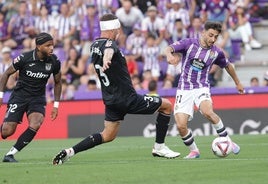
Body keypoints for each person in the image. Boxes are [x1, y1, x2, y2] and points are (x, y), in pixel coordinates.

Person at [52, 13, 180, 165]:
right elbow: (109, 50)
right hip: (127, 98)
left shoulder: (93, 46)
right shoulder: (109, 44)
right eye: (118, 29)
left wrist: (106, 58)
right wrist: (107, 58)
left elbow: (106, 50)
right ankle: (159, 147)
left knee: (108, 135)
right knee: (166, 106)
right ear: (113, 29)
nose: (119, 32)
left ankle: (70, 151)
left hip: (111, 100)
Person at [164, 21, 244, 159]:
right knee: (181, 126)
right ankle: (194, 151)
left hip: (202, 86)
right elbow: (168, 48)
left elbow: (228, 66)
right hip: (184, 88)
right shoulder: (189, 43)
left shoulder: (216, 52)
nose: (213, 39)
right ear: (203, 32)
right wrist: (170, 56)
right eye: (211, 35)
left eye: (216, 37)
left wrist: (238, 82)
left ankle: (228, 140)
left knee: (208, 112)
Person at [0, 32, 62, 162]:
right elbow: (6, 74)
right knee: (7, 132)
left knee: (36, 123)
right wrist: (0, 95)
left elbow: (58, 82)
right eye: (48, 45)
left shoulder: (54, 61)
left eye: (52, 45)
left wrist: (56, 105)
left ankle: (10, 154)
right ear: (38, 46)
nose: (51, 48)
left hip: (37, 98)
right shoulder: (24, 58)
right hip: (19, 96)